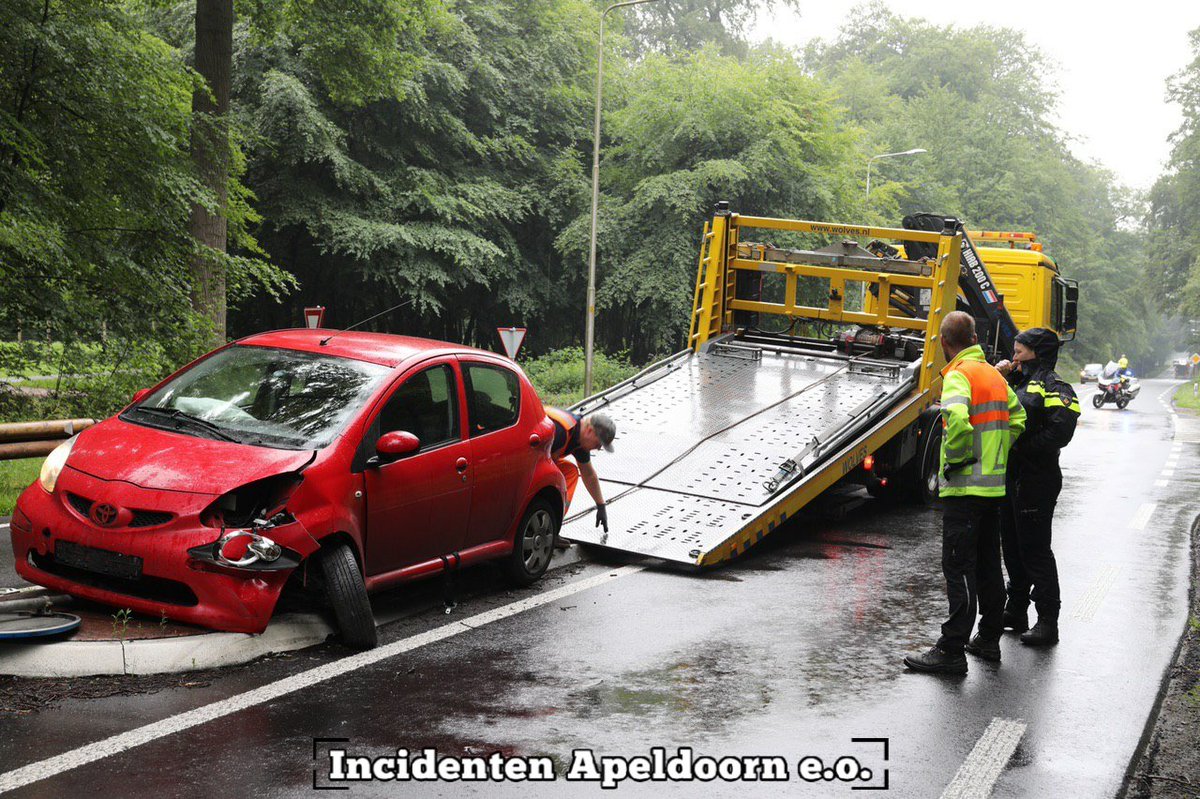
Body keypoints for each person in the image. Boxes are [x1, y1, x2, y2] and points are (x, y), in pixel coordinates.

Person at [904, 312, 1026, 674]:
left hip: (965, 488)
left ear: (944, 342)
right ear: (974, 338)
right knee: (988, 564)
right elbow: (1018, 419)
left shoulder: (959, 374)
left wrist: (956, 460)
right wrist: (995, 455)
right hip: (992, 488)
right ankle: (987, 638)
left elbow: (956, 420)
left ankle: (952, 650)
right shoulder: (993, 374)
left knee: (958, 567)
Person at [994, 329, 1080, 646]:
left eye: (1019, 352)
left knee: (1035, 549)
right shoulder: (1014, 381)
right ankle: (1016, 610)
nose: (1014, 356)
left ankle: (1047, 621)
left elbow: (1061, 432)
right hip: (1010, 476)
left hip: (1036, 478)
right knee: (1012, 546)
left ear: (1036, 352)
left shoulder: (1055, 386)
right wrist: (1000, 376)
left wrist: (1023, 449)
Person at [544, 408, 616, 536]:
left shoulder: (578, 437)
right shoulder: (560, 431)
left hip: (537, 462)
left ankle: (551, 526)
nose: (598, 448)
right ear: (590, 431)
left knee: (570, 472)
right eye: (598, 444)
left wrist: (601, 505)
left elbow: (588, 474)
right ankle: (541, 523)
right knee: (555, 475)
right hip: (519, 461)